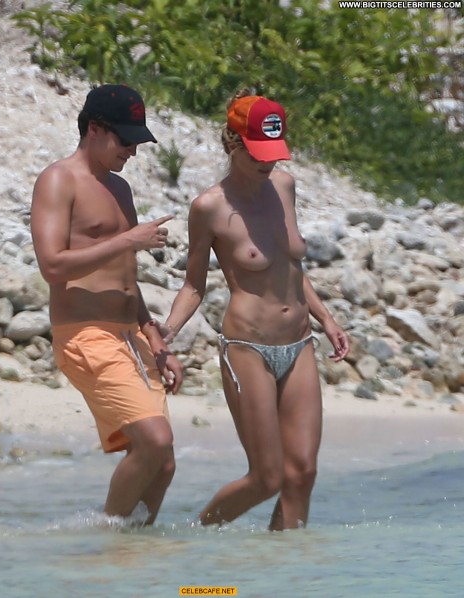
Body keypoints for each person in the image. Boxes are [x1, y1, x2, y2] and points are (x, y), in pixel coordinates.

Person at [162, 89, 349, 531]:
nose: (268, 163)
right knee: (267, 478)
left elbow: (290, 265)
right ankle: (195, 540)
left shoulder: (284, 186)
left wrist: (326, 318)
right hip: (248, 348)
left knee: (302, 474)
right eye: (257, 153)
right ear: (233, 142)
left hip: (300, 343)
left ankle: (284, 565)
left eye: (274, 153)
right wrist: (165, 332)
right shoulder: (209, 207)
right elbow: (194, 285)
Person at [30, 83, 183, 525]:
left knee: (163, 462)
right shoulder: (58, 180)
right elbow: (52, 266)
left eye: (137, 142)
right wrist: (129, 240)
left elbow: (125, 277)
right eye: (125, 140)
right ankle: (109, 535)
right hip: (86, 334)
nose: (132, 151)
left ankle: (132, 556)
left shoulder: (120, 188)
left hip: (132, 337)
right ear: (94, 129)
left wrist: (154, 338)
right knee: (154, 441)